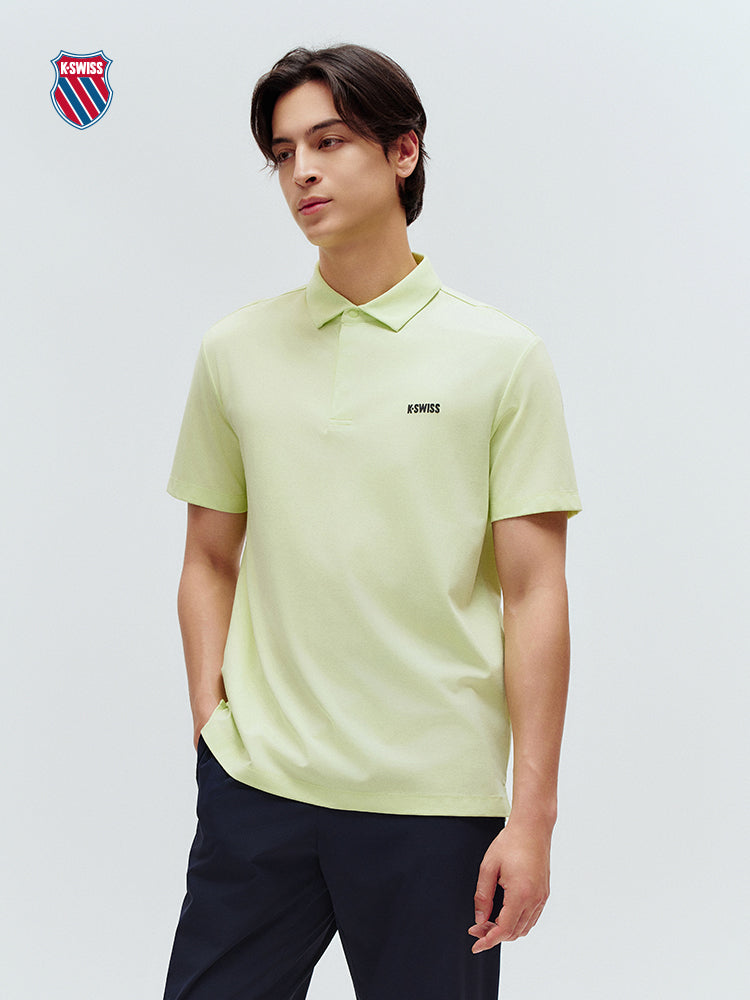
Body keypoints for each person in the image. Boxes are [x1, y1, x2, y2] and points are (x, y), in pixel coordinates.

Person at [163, 43, 581, 1000]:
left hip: (432, 803)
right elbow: (209, 559)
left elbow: (535, 593)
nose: (300, 172)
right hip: (260, 789)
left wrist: (533, 818)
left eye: (329, 141)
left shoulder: (501, 357)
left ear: (403, 152)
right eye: (282, 153)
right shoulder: (235, 351)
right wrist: (211, 730)